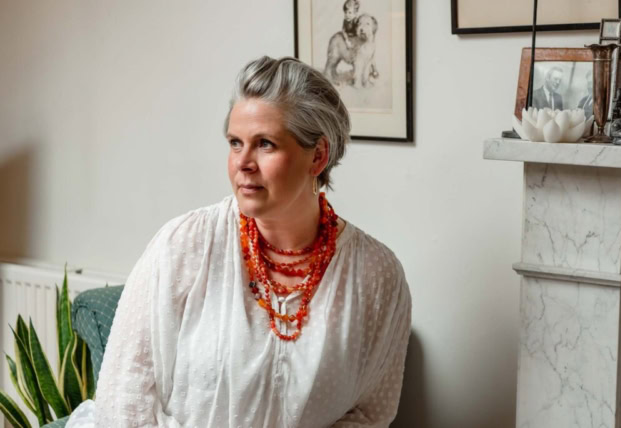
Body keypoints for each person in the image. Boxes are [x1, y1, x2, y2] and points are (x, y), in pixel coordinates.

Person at [66, 56, 412, 427]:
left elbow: (369, 414)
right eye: (235, 143)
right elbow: (124, 398)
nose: (242, 162)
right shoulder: (183, 246)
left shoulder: (378, 276)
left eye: (265, 144)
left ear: (318, 156)